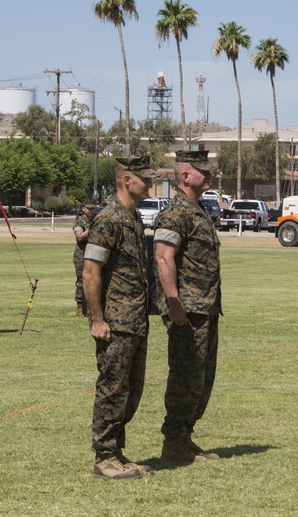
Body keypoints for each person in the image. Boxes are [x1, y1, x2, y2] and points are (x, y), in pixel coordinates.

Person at [82, 156, 160, 480]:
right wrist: (98, 320)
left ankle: (116, 450)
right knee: (112, 388)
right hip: (116, 322)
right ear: (127, 180)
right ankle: (104, 457)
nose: (150, 182)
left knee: (132, 390)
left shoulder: (133, 218)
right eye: (144, 177)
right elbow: (90, 272)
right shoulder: (110, 219)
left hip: (136, 321)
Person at [153, 149, 222, 463]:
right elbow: (163, 257)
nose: (208, 176)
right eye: (202, 171)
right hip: (188, 311)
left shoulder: (197, 210)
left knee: (201, 378)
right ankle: (174, 442)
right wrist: (174, 303)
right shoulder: (175, 213)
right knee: (185, 377)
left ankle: (185, 437)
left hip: (204, 309)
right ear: (184, 176)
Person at [72, 203, 95, 317]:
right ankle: (80, 307)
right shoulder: (79, 222)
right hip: (81, 255)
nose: (91, 211)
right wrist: (91, 230)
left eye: (93, 208)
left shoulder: (94, 221)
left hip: (93, 254)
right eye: (88, 208)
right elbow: (79, 236)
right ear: (83, 208)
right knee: (81, 280)